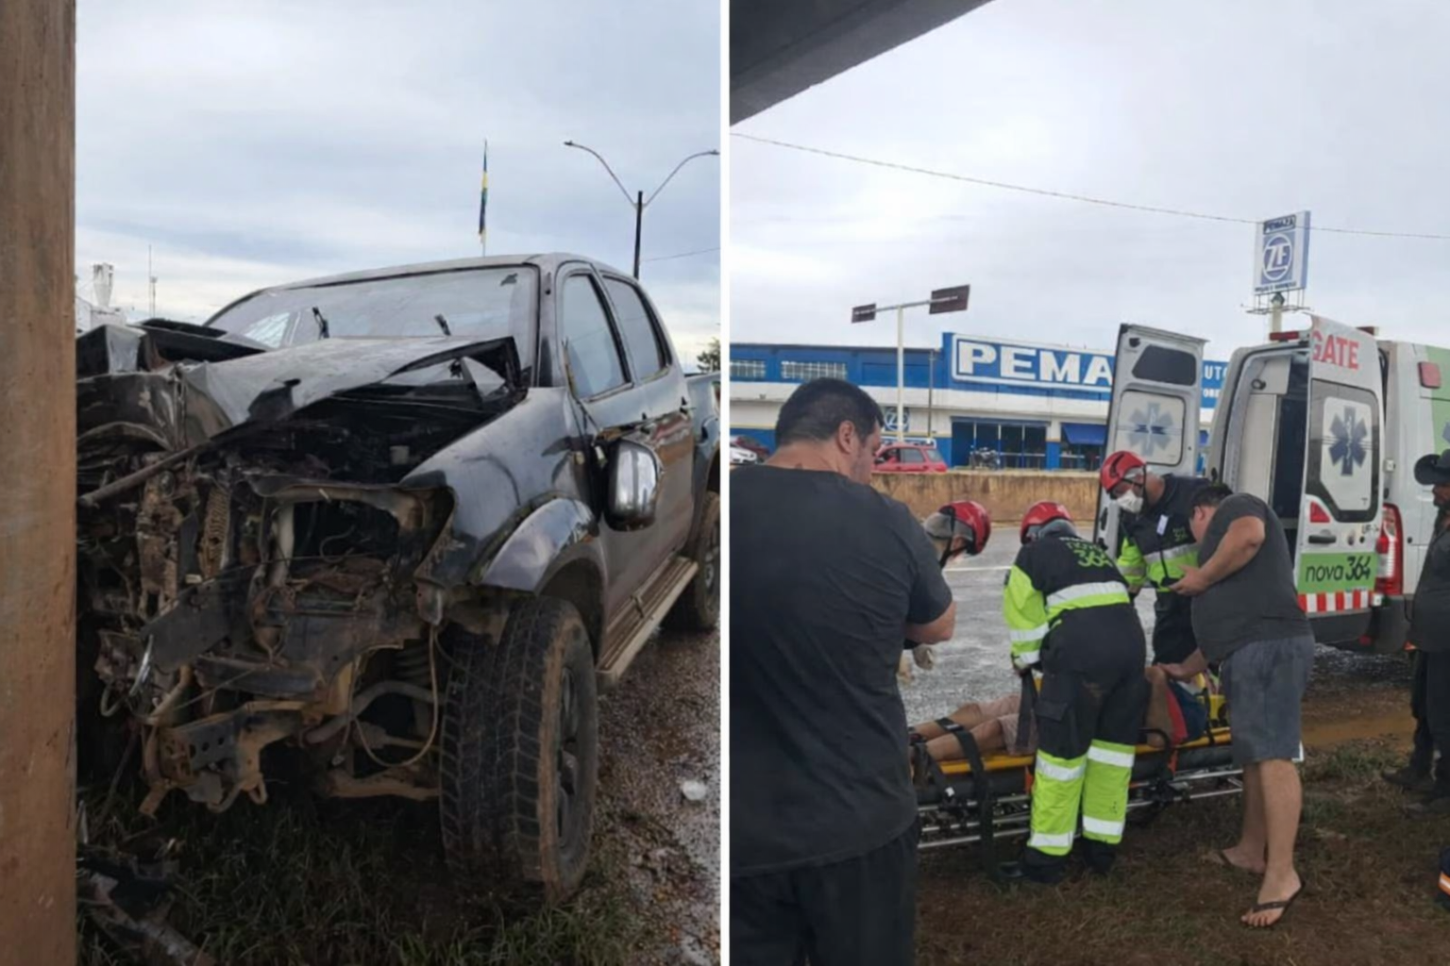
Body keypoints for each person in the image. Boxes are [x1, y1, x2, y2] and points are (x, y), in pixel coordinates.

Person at [730, 378, 962, 966]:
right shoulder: (886, 519)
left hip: (746, 831)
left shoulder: (726, 501)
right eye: (874, 452)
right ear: (846, 434)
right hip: (859, 822)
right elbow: (938, 626)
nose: (871, 467)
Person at [1162, 483, 1313, 928]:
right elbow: (1221, 632)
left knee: (1273, 756)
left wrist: (1202, 577)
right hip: (1248, 651)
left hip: (1268, 647)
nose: (1195, 540)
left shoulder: (1236, 506)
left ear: (1200, 512)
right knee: (1254, 758)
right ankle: (1251, 849)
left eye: (1193, 528)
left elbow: (1249, 535)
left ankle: (1282, 874)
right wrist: (1185, 669)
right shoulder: (1224, 550)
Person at [1002, 501, 1148, 882]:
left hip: (1081, 662)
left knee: (1060, 761)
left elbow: (1024, 618)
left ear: (1032, 533)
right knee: (1111, 757)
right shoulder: (1098, 555)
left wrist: (1028, 658)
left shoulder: (1032, 555)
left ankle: (1045, 863)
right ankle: (1100, 852)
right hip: (1131, 657)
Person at [908, 663, 1208, 766]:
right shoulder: (1182, 685)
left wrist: (1156, 682)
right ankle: (904, 735)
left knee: (994, 730)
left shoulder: (1193, 712)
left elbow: (1161, 740)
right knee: (976, 711)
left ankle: (908, 759)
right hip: (1070, 696)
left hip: (1079, 720)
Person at [1100, 450, 1213, 665]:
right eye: (1114, 496)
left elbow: (1228, 539)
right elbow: (1131, 566)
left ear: (1138, 477)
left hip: (1207, 597)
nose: (1120, 500)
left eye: (1120, 491)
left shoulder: (1193, 493)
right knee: (1165, 669)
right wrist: (1116, 603)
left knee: (1213, 667)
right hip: (1169, 606)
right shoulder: (1132, 517)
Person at [1384, 449, 1450, 813]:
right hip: (1430, 635)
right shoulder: (1443, 519)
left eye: (1442, 484)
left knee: (1444, 714)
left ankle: (1446, 791)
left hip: (1447, 641)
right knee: (1423, 706)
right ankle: (1418, 769)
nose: (1436, 491)